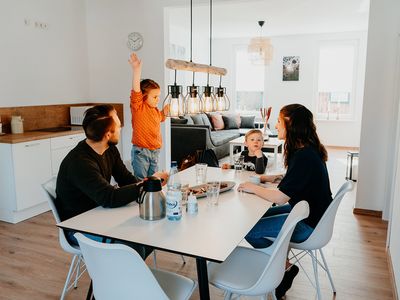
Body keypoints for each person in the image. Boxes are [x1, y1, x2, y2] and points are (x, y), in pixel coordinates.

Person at [238, 104, 332, 299]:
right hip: (311, 214)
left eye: (280, 121)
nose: (276, 125)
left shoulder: (303, 157)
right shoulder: (307, 150)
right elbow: (297, 180)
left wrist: (251, 187)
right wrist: (271, 179)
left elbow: (280, 198)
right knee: (258, 215)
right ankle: (282, 266)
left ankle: (282, 270)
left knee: (248, 229)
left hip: (309, 224)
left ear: (291, 125)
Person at [56, 104, 168, 258]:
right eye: (118, 123)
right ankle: (107, 279)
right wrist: (148, 183)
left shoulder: (109, 149)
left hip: (101, 215)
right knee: (133, 246)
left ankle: (123, 277)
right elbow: (109, 198)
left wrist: (148, 184)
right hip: (80, 228)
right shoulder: (80, 162)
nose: (121, 126)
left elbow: (126, 179)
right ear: (108, 134)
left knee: (147, 233)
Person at [129, 52, 169, 180]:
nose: (158, 99)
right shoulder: (138, 107)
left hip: (155, 151)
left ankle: (152, 199)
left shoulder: (155, 110)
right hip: (141, 152)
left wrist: (165, 112)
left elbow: (161, 118)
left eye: (159, 96)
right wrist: (137, 70)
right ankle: (141, 200)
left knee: (153, 180)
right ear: (144, 97)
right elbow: (136, 90)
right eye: (155, 97)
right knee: (141, 180)